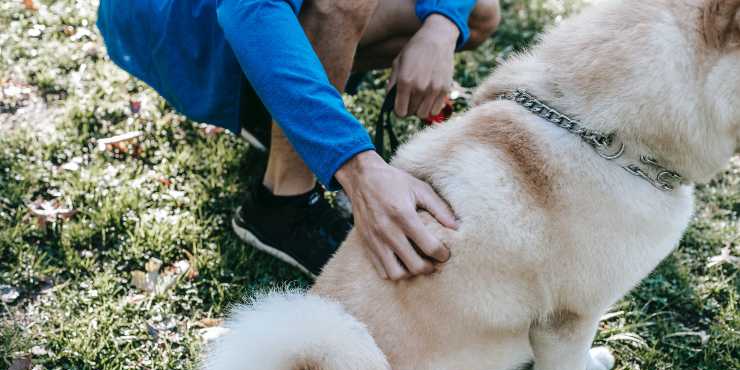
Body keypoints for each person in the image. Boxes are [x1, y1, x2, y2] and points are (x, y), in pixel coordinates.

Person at [97, 0, 500, 279]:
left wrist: (442, 25)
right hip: (176, 24)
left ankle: (274, 112)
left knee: (477, 12)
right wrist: (360, 167)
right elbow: (250, 10)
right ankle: (282, 206)